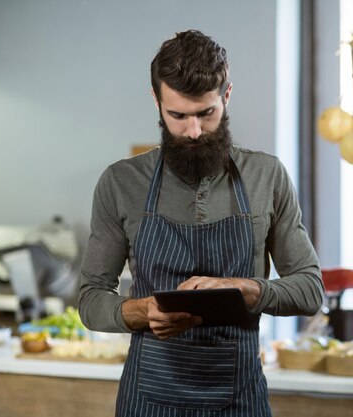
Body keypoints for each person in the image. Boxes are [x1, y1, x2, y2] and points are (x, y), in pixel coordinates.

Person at [78, 29, 324, 417]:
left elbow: (311, 290)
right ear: (156, 101)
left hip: (239, 400)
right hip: (147, 400)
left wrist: (245, 289)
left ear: (226, 96)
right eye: (177, 115)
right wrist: (143, 311)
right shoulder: (121, 182)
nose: (192, 132)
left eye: (206, 113)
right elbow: (90, 299)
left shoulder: (266, 175)